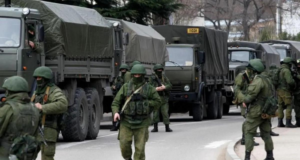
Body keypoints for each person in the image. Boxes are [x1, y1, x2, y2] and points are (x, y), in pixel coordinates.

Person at [111, 64, 161, 160]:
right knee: (124, 145)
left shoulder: (149, 88)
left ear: (143, 75)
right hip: (126, 121)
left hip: (142, 122)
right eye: (135, 75)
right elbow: (116, 102)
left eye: (139, 75)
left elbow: (158, 102)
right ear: (132, 75)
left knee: (140, 149)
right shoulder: (125, 87)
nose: (137, 77)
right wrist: (116, 112)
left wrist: (145, 103)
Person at [237, 59, 274, 160]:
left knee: (248, 132)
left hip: (256, 111)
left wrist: (239, 93)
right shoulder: (268, 79)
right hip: (266, 111)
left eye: (250, 69)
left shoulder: (259, 80)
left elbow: (249, 97)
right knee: (266, 134)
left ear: (254, 70)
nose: (249, 71)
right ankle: (270, 156)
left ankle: (247, 157)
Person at [31, 66, 68, 160]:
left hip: (48, 129)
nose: (38, 80)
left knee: (47, 157)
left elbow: (63, 104)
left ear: (46, 79)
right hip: (35, 129)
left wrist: (42, 107)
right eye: (37, 78)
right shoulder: (37, 92)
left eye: (40, 78)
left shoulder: (53, 90)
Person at [0, 76, 40, 160]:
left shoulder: (7, 109)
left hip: (6, 155)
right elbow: (36, 136)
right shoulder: (34, 109)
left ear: (9, 91)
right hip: (24, 155)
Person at [233, 69, 259, 146]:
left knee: (249, 120)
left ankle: (245, 139)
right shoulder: (242, 76)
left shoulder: (252, 76)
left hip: (249, 100)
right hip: (244, 101)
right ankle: (247, 139)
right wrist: (243, 100)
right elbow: (237, 90)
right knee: (248, 121)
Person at [149, 64, 173, 132]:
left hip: (164, 98)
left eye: (160, 70)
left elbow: (170, 85)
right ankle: (155, 127)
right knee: (155, 113)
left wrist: (164, 87)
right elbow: (149, 87)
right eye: (158, 70)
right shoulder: (152, 78)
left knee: (165, 113)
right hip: (156, 98)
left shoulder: (164, 77)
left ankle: (167, 127)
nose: (159, 71)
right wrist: (156, 89)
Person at [277, 57, 296, 128]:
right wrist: (294, 82)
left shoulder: (279, 69)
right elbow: (290, 81)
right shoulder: (286, 71)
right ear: (289, 64)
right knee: (289, 105)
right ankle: (288, 122)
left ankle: (280, 122)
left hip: (279, 90)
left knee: (280, 106)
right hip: (285, 90)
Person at [110, 64, 130, 131]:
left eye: (124, 70)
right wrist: (114, 87)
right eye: (122, 70)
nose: (123, 71)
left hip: (125, 97)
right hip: (118, 96)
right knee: (115, 111)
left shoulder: (129, 78)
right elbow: (112, 86)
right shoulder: (118, 79)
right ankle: (115, 125)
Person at [294, 59, 300, 127]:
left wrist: (297, 76)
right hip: (297, 92)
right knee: (297, 108)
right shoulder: (296, 71)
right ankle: (298, 122)